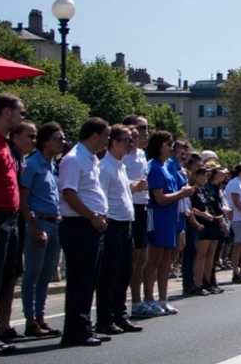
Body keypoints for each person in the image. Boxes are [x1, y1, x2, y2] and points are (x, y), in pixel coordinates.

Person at [57, 117, 112, 347]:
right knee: (80, 280)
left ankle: (84, 326)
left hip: (92, 225)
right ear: (94, 136)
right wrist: (93, 215)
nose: (108, 140)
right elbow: (69, 193)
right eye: (106, 135)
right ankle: (74, 331)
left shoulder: (93, 159)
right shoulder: (74, 159)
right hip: (79, 226)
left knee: (89, 280)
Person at [95, 123, 145, 335]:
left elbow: (122, 193)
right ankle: (105, 319)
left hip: (126, 224)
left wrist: (134, 187)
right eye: (127, 140)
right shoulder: (104, 167)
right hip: (112, 224)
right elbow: (101, 198)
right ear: (114, 143)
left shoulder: (120, 166)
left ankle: (119, 315)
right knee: (110, 274)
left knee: (125, 272)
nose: (131, 144)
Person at [19, 121, 63, 337]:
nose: (62, 143)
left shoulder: (53, 165)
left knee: (46, 275)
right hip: (40, 223)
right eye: (58, 139)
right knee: (33, 274)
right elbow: (23, 199)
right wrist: (34, 226)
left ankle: (40, 316)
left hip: (55, 222)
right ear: (46, 142)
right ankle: (29, 320)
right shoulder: (33, 164)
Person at [0, 94, 24, 355]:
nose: (23, 117)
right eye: (19, 112)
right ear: (7, 112)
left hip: (10, 218)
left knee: (2, 279)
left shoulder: (4, 143)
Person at [145, 131, 193, 316]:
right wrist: (181, 194)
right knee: (154, 260)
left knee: (166, 261)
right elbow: (160, 198)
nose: (171, 147)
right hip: (158, 218)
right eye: (168, 143)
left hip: (170, 218)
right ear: (159, 146)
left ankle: (163, 299)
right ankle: (148, 298)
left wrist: (182, 192)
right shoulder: (155, 167)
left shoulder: (167, 167)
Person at [123, 118, 153, 318]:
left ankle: (137, 301)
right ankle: (125, 303)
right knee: (130, 258)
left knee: (142, 256)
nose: (146, 132)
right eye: (142, 128)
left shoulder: (141, 154)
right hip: (128, 207)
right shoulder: (123, 155)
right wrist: (135, 185)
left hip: (142, 206)